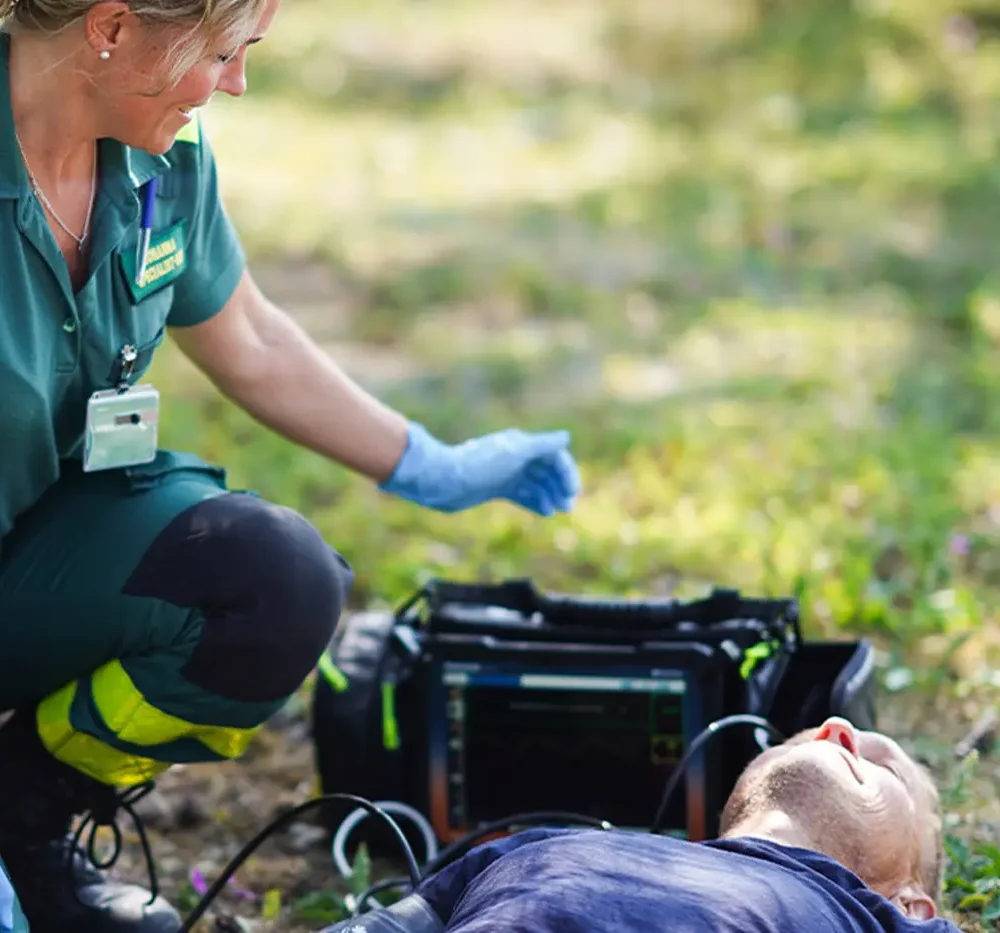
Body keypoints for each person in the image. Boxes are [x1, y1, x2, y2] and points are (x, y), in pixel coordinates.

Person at [0, 0, 581, 929]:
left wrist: (428, 463)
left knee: (275, 579)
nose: (236, 82)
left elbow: (255, 339)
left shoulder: (163, 162)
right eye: (222, 52)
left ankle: (23, 814)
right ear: (111, 28)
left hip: (27, 560)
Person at [345, 717, 956, 933]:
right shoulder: (542, 846)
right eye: (804, 737)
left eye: (882, 766)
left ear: (910, 904)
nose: (836, 727)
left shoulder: (872, 920)